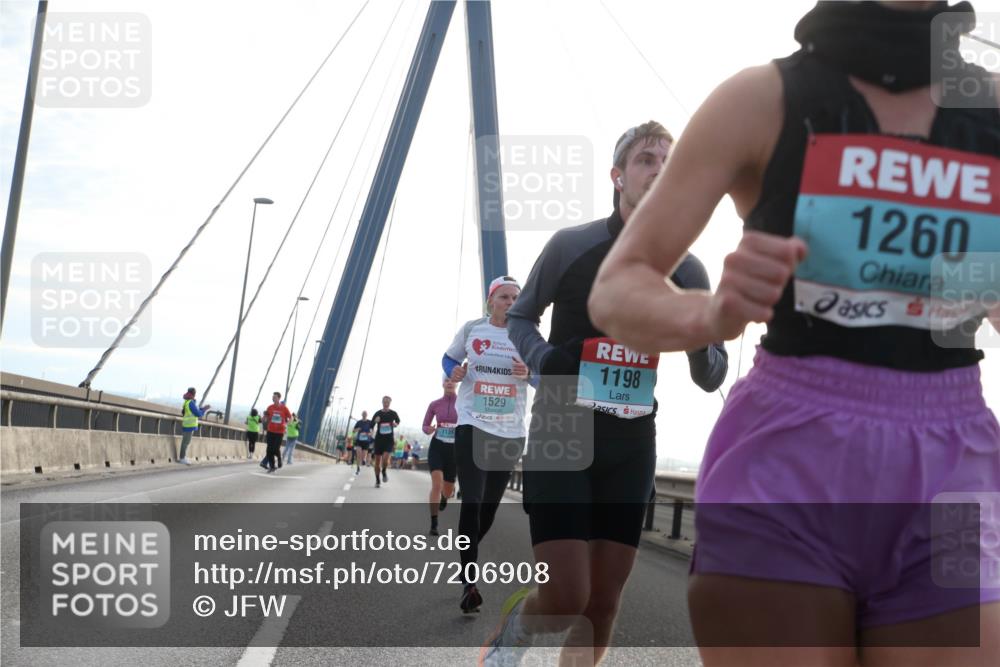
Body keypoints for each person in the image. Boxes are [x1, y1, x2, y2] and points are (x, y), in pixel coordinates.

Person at [587, 3, 1000, 666]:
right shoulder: (760, 99)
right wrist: (711, 315)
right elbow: (615, 287)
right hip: (788, 464)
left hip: (951, 476)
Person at [482, 122, 728, 665]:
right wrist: (547, 361)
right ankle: (516, 629)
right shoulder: (573, 245)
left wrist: (693, 335)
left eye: (670, 159)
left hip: (632, 438)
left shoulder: (688, 269)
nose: (659, 167)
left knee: (603, 605)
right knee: (568, 597)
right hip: (563, 430)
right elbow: (522, 315)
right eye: (645, 159)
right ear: (617, 176)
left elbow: (712, 374)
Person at [444, 275, 535, 614]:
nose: (511, 303)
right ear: (491, 300)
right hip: (472, 424)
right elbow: (449, 359)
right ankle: (470, 582)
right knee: (472, 501)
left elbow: (544, 376)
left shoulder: (526, 336)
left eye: (516, 298)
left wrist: (529, 373)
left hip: (509, 433)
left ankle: (465, 557)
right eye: (505, 297)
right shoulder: (472, 330)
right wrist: (453, 372)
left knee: (488, 511)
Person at [423, 376, 459, 536]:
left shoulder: (464, 403)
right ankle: (434, 523)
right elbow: (425, 424)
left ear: (457, 384)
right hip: (437, 447)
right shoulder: (435, 404)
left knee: (448, 489)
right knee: (436, 485)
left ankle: (446, 496)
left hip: (455, 450)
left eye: (452, 380)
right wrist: (428, 429)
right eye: (447, 380)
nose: (450, 383)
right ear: (443, 384)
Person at [371, 397, 400, 488]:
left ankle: (384, 471)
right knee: (377, 462)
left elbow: (398, 421)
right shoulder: (378, 413)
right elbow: (371, 425)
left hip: (389, 440)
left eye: (388, 402)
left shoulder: (393, 413)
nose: (386, 403)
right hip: (379, 440)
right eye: (384, 402)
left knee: (385, 459)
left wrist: (396, 424)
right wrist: (375, 421)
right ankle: (377, 480)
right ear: (382, 402)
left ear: (390, 403)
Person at [178, 387, 210, 465]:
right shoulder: (191, 402)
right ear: (194, 394)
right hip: (189, 425)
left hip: (186, 424)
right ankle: (182, 458)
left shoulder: (187, 402)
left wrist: (202, 409)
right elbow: (198, 414)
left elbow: (195, 410)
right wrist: (204, 409)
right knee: (186, 442)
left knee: (185, 442)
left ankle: (183, 457)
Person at [261, 392, 291, 473]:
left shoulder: (284, 408)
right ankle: (272, 466)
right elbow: (266, 417)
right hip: (270, 431)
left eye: (274, 397)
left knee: (275, 448)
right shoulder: (270, 407)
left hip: (280, 432)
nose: (273, 398)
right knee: (269, 450)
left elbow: (290, 418)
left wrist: (286, 424)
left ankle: (279, 459)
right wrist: (263, 419)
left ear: (279, 398)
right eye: (272, 397)